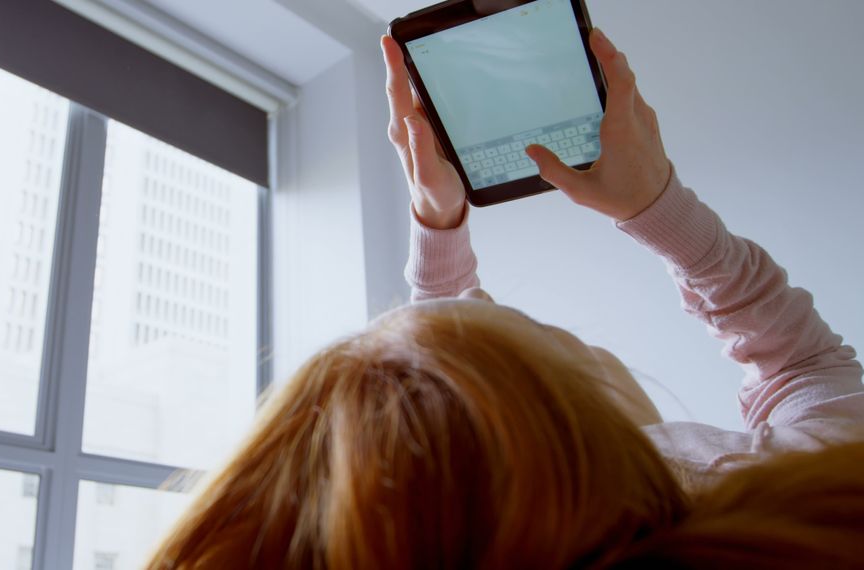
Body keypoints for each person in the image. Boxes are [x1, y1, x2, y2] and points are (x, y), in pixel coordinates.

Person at [145, 29, 864, 569]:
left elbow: (449, 413)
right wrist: (655, 205)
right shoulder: (726, 482)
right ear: (563, 428)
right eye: (540, 339)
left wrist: (438, 218)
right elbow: (806, 370)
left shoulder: (615, 523)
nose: (493, 314)